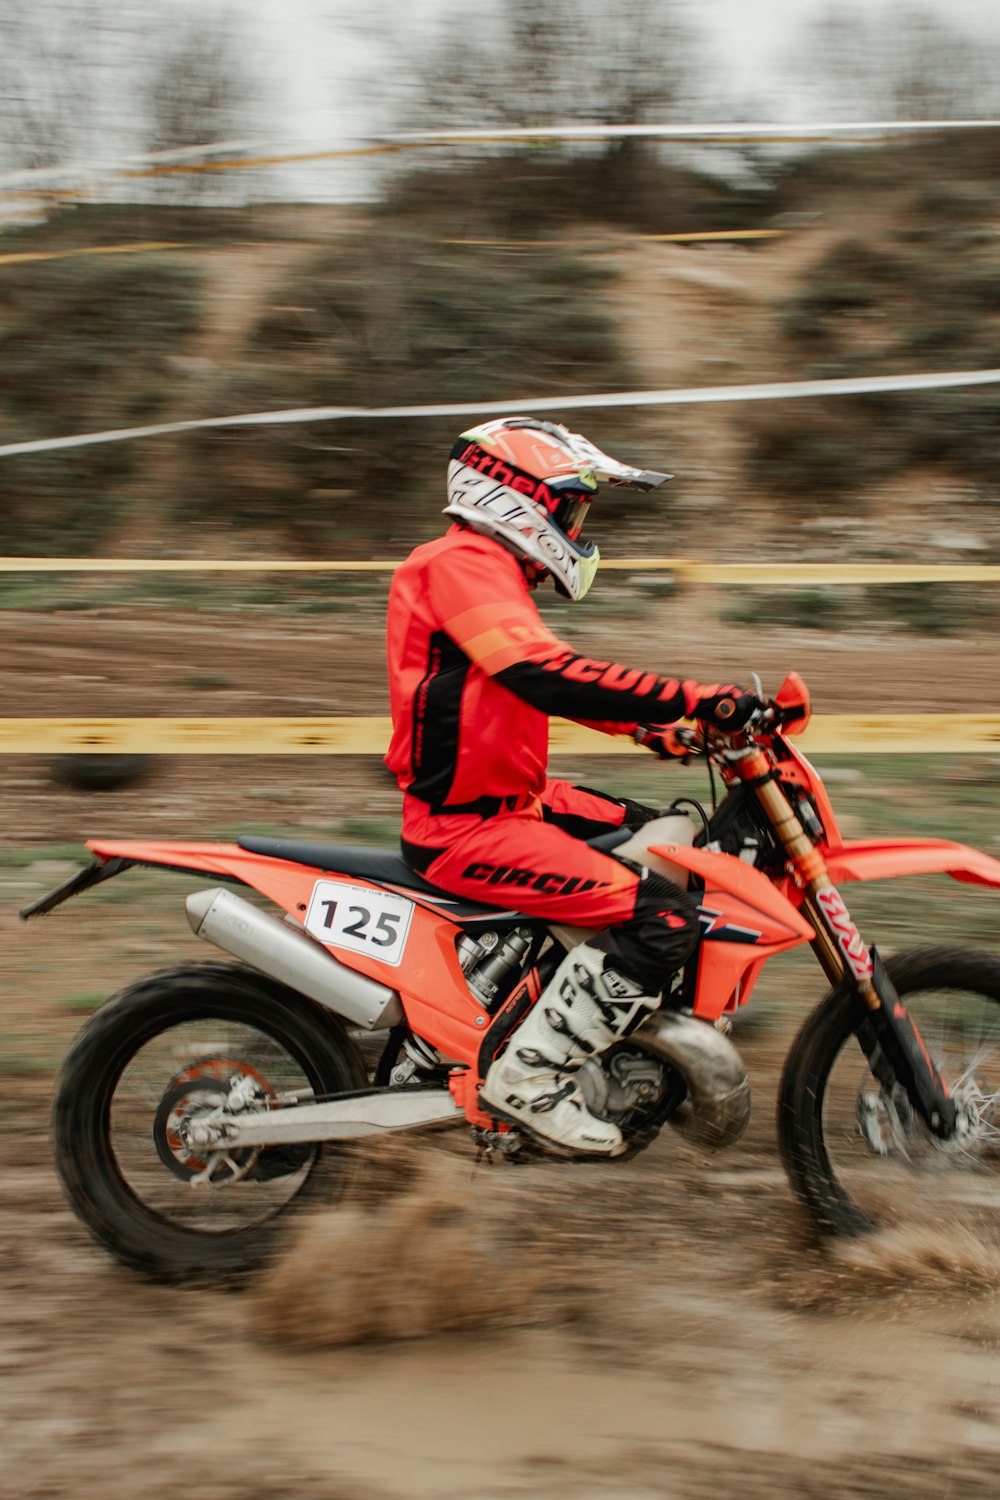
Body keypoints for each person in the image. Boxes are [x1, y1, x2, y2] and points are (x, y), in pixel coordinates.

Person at [384, 417, 759, 1157]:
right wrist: (693, 697)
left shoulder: (486, 571)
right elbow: (541, 675)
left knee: (671, 837)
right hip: (467, 825)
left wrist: (661, 732)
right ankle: (529, 1078)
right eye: (570, 505)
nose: (576, 524)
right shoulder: (456, 563)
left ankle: (590, 1020)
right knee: (666, 921)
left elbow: (542, 680)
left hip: (519, 800)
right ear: (515, 496)